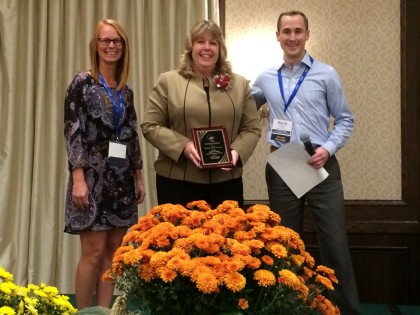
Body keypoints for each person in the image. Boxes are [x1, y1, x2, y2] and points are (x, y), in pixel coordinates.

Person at [251, 10, 360, 315]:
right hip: (283, 164)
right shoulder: (265, 77)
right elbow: (241, 107)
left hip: (320, 164)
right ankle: (289, 309)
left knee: (335, 246)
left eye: (298, 31)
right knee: (284, 246)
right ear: (278, 37)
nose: (293, 37)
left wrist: (328, 147)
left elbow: (345, 119)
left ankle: (345, 310)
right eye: (286, 31)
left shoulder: (327, 74)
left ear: (308, 35)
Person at [63, 19, 145, 309]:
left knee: (114, 253)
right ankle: (85, 312)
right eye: (105, 41)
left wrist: (138, 175)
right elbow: (73, 132)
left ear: (124, 47)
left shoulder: (126, 91)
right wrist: (78, 177)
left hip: (121, 179)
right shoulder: (82, 84)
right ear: (95, 46)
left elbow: (132, 134)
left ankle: (106, 312)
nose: (111, 46)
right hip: (91, 178)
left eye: (117, 41)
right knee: (93, 253)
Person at [141, 20, 261, 209]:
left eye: (213, 42)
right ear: (191, 46)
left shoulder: (239, 84)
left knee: (227, 238)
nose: (207, 48)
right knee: (179, 239)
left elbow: (252, 127)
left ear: (220, 48)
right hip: (177, 183)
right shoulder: (168, 81)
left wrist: (236, 151)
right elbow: (150, 125)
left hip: (226, 183)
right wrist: (184, 146)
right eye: (200, 41)